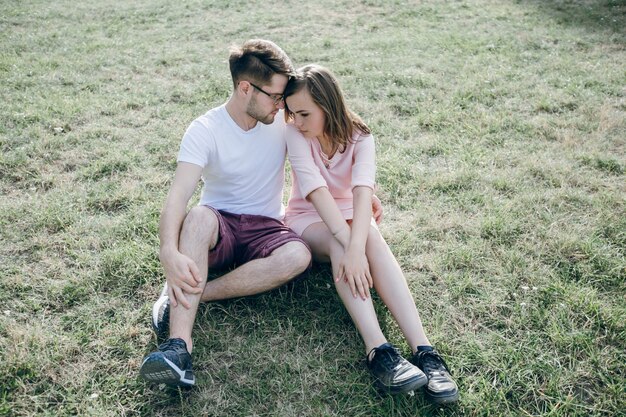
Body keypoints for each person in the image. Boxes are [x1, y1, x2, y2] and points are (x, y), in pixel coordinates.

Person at [139, 40, 382, 388]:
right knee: (197, 217)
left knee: (298, 254)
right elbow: (178, 195)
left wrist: (367, 195)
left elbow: (328, 150)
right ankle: (178, 349)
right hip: (218, 223)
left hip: (267, 226)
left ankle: (194, 294)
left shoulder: (284, 123)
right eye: (274, 96)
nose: (282, 105)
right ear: (245, 88)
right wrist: (167, 252)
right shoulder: (205, 129)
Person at [282, 64, 459, 404]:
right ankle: (379, 351)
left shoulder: (361, 136)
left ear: (328, 105)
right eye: (292, 114)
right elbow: (316, 191)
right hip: (308, 218)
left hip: (352, 213)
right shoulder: (295, 133)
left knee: (373, 239)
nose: (298, 122)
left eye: (304, 113)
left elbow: (363, 192)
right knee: (340, 243)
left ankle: (426, 353)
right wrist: (350, 247)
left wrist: (359, 243)